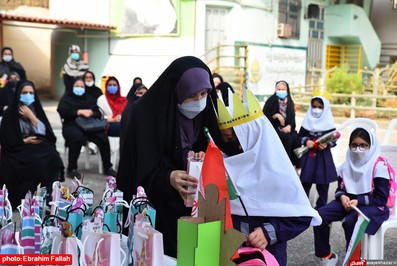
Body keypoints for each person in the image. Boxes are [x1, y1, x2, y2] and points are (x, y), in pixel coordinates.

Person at [117, 56, 222, 258]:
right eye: (192, 95)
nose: (200, 100)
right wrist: (168, 177)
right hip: (157, 204)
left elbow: (214, 145)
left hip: (196, 201)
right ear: (176, 91)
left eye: (205, 92)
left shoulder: (206, 110)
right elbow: (137, 167)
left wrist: (205, 156)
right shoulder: (145, 114)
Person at [215, 88, 321, 266]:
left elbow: (301, 215)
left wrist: (269, 231)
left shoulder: (278, 172)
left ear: (250, 138)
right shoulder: (225, 164)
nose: (228, 146)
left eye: (232, 139)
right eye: (224, 139)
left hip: (267, 255)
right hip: (230, 253)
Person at [313, 127, 390, 265]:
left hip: (373, 205)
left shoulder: (378, 166)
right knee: (320, 216)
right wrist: (342, 197)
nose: (358, 149)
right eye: (354, 145)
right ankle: (326, 255)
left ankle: (354, 260)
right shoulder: (346, 164)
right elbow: (339, 189)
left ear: (370, 146)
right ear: (349, 146)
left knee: (351, 222)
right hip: (348, 202)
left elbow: (381, 199)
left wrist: (358, 201)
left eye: (363, 145)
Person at [0, 80, 64, 210]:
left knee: (53, 156)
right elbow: (6, 138)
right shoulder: (10, 113)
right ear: (18, 94)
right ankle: (29, 198)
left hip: (37, 144)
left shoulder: (36, 110)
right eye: (24, 93)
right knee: (36, 162)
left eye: (31, 93)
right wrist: (23, 141)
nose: (28, 95)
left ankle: (48, 195)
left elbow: (46, 133)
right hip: (17, 148)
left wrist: (32, 117)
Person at [57, 77, 117, 179]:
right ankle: (72, 169)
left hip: (89, 125)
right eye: (77, 86)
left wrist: (91, 113)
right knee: (77, 137)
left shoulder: (89, 99)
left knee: (102, 136)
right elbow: (63, 112)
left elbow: (98, 112)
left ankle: (107, 167)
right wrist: (78, 112)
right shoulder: (66, 99)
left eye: (81, 86)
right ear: (72, 87)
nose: (79, 88)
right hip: (71, 125)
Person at [297, 96, 338, 209]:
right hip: (309, 156)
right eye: (314, 107)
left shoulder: (328, 123)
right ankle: (303, 206)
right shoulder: (307, 121)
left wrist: (327, 144)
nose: (316, 109)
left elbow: (334, 139)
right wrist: (306, 141)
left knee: (323, 183)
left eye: (320, 107)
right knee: (306, 180)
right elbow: (299, 136)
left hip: (323, 157)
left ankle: (322, 207)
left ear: (325, 108)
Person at [262, 80, 300, 168]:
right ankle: (284, 165)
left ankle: (295, 165)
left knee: (296, 139)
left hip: (287, 128)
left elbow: (292, 120)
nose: (281, 91)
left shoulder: (290, 102)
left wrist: (289, 126)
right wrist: (275, 115)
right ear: (275, 90)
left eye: (283, 89)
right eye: (279, 89)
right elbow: (264, 116)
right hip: (273, 127)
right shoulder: (271, 101)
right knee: (286, 138)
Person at [120, 83, 148, 149]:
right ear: (133, 95)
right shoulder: (129, 111)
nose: (143, 96)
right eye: (140, 93)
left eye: (146, 93)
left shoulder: (152, 109)